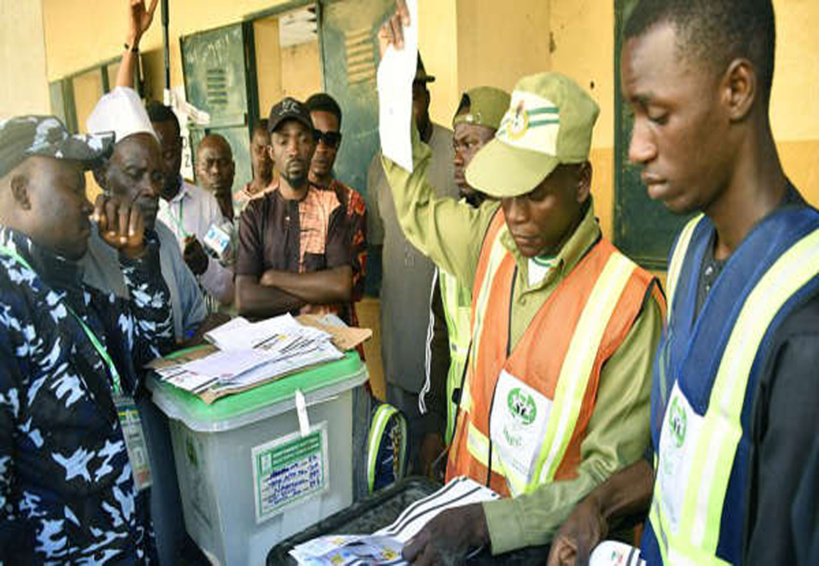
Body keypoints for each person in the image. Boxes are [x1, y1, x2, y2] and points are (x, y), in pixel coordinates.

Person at [377, 5, 665, 563]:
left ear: (581, 181)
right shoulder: (490, 237)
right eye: (506, 192)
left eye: (535, 193)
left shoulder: (627, 305)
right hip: (456, 529)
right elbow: (414, 207)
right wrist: (392, 103)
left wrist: (489, 523)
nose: (516, 214)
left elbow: (607, 477)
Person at [547, 2, 819, 566]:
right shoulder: (693, 245)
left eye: (658, 115)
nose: (636, 148)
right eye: (633, 116)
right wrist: (599, 506)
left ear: (737, 89)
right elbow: (685, 455)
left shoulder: (805, 323)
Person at [0, 115, 174, 563]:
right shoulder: (8, 309)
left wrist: (136, 258)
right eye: (72, 187)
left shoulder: (63, 291)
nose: (87, 204)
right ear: (21, 192)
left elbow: (152, 352)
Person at [366, 51, 459, 476]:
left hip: (450, 353)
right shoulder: (378, 165)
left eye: (414, 92)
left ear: (426, 94)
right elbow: (379, 248)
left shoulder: (457, 153)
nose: (407, 105)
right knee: (404, 462)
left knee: (447, 461)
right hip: (400, 342)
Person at [417, 86, 510, 476]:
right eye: (455, 145)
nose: (457, 158)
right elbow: (440, 336)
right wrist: (435, 423)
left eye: (470, 144)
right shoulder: (455, 226)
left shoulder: (523, 236)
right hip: (459, 430)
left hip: (507, 442)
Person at [235, 97, 352, 320]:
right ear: (271, 152)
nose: (293, 150)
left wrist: (274, 278)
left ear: (312, 147)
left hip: (326, 339)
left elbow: (341, 285)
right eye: (283, 141)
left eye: (302, 139)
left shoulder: (331, 206)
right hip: (270, 344)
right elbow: (245, 298)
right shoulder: (255, 212)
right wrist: (314, 293)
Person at [147, 102, 235, 308]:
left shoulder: (206, 205)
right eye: (153, 156)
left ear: (181, 146)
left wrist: (203, 266)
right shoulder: (137, 212)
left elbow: (229, 291)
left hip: (203, 328)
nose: (160, 167)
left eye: (168, 155)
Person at [305, 92, 368, 327]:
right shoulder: (282, 201)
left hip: (340, 332)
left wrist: (295, 281)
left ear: (338, 144)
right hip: (291, 335)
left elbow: (353, 288)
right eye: (315, 137)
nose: (321, 148)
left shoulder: (353, 204)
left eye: (329, 140)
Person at [235, 120, 275, 214]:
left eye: (269, 150)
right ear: (251, 148)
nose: (263, 157)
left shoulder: (282, 193)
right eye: (259, 148)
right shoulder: (238, 199)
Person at [196, 133, 236, 222]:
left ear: (233, 168)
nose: (216, 170)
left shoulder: (248, 210)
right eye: (208, 164)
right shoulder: (191, 218)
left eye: (223, 163)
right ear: (197, 170)